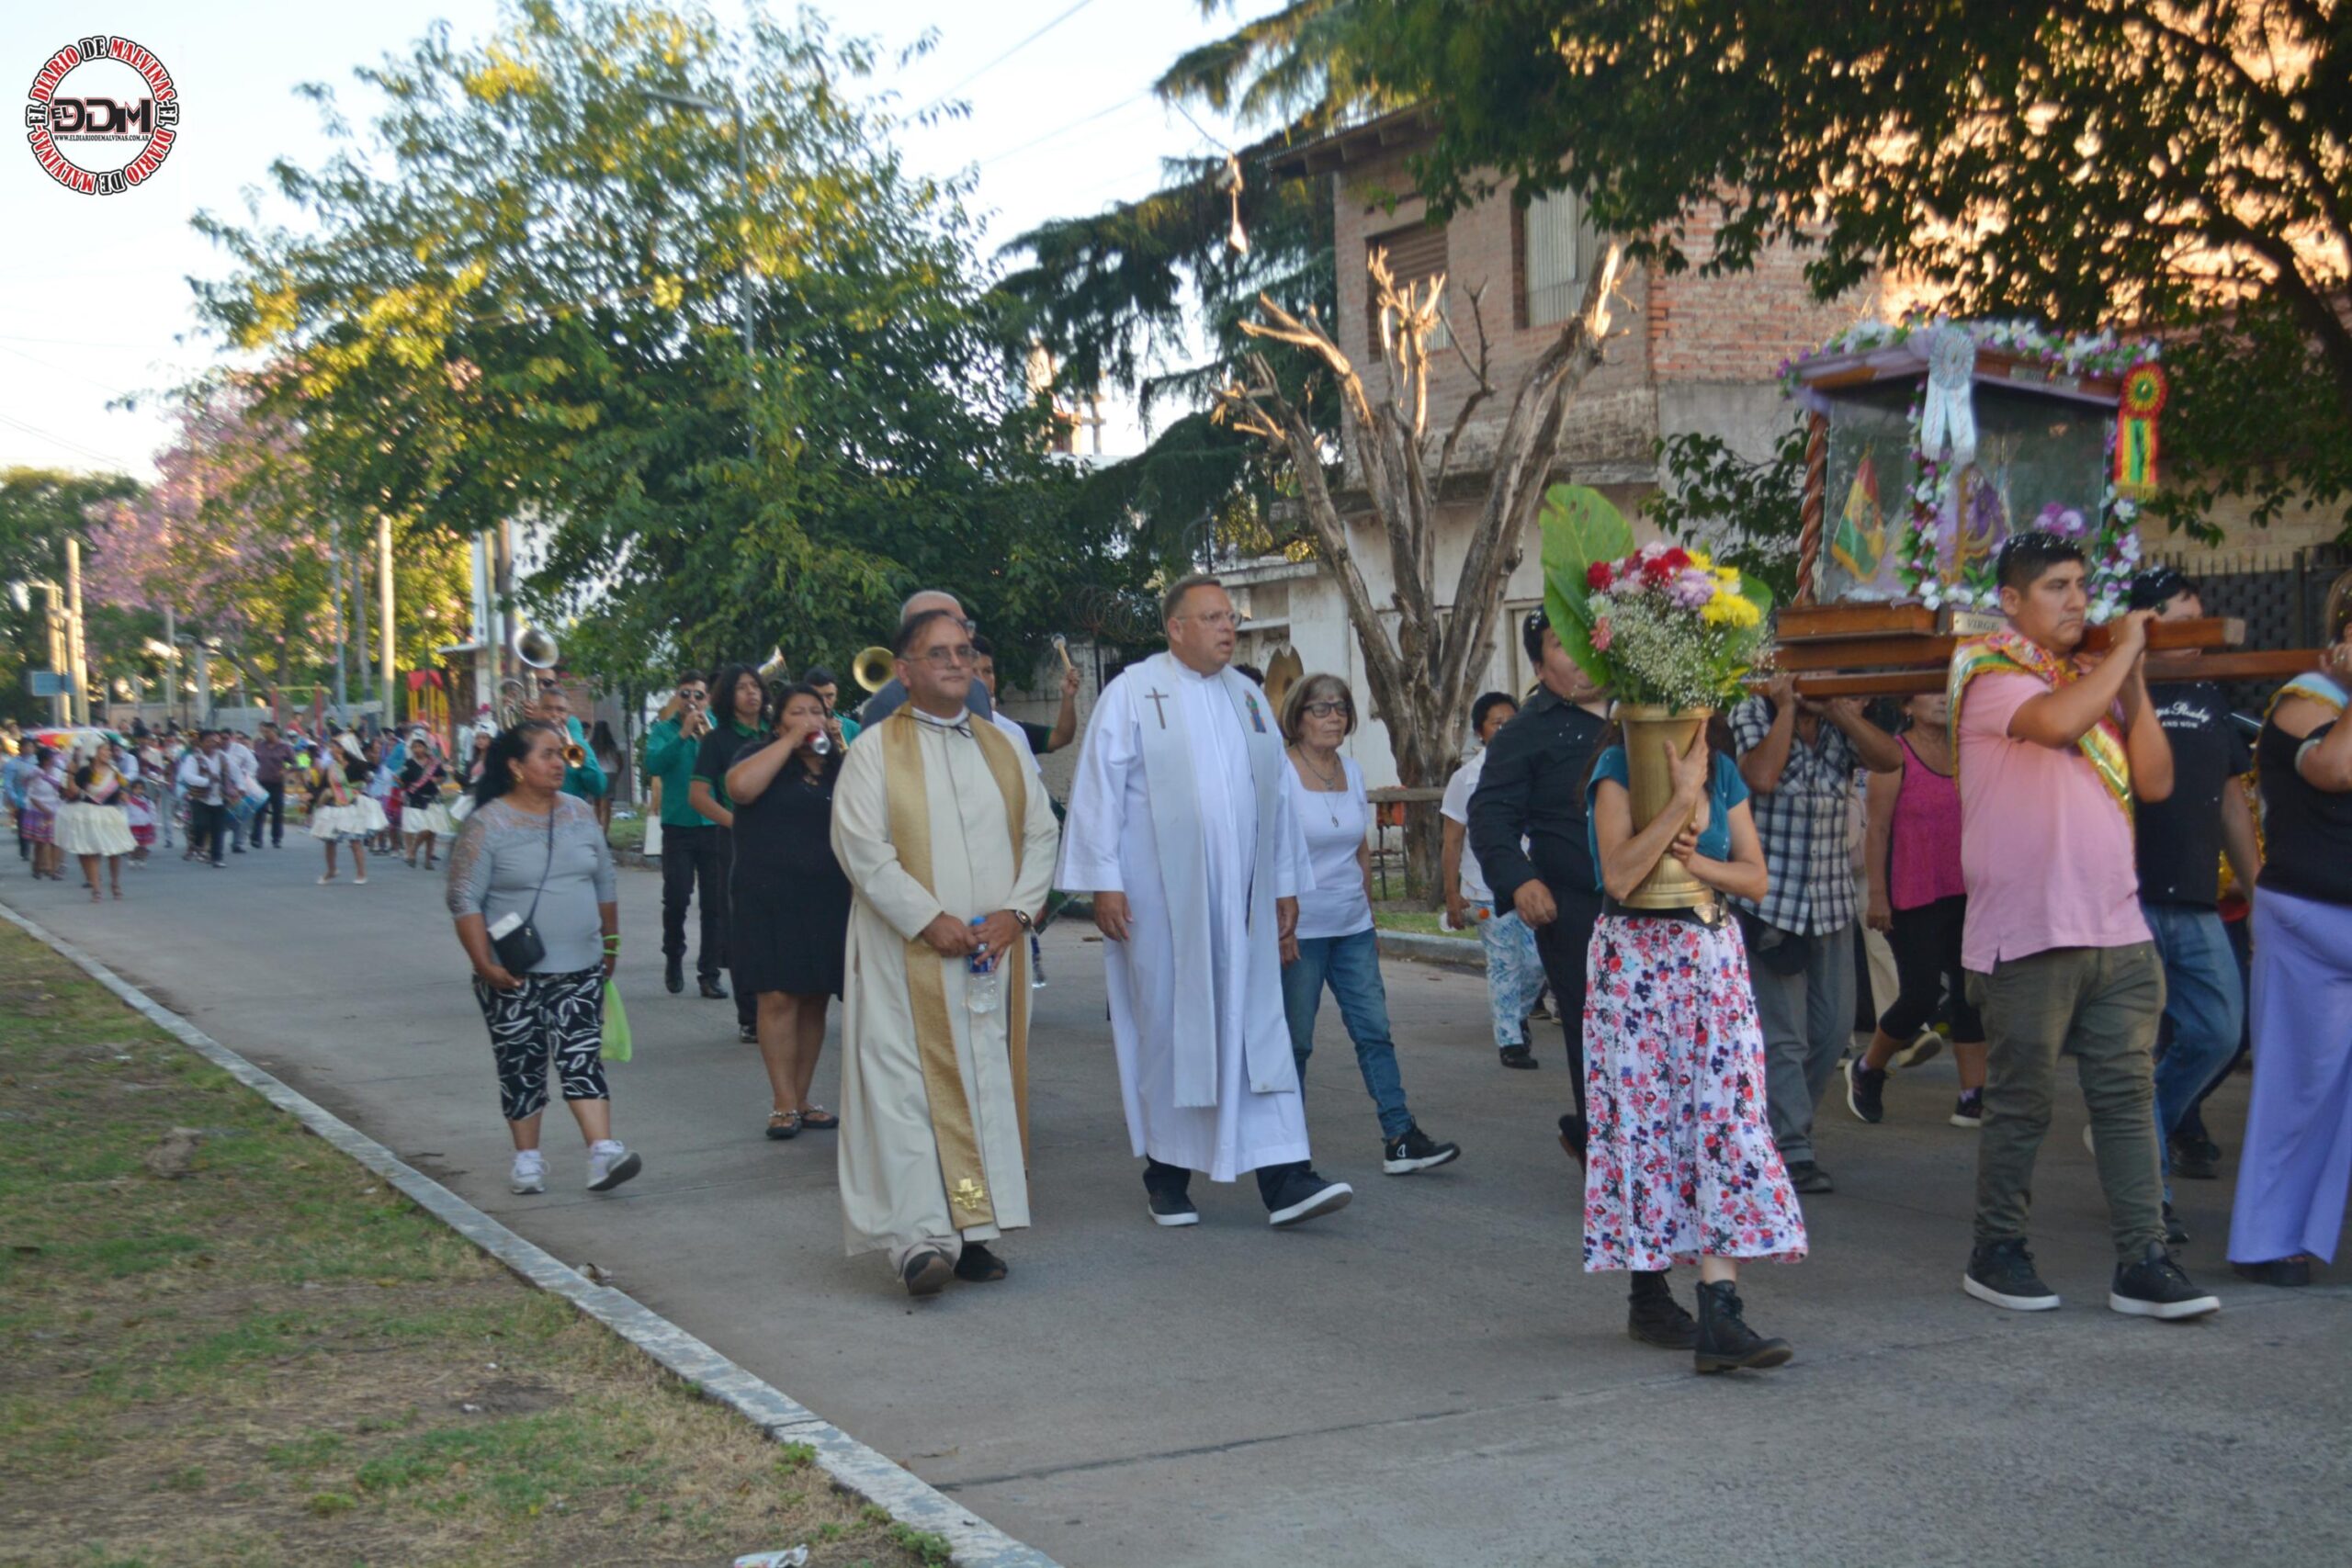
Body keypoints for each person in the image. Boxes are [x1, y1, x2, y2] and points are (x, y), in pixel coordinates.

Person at [1949, 530, 2216, 1319]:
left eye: (2081, 585)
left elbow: (2155, 780)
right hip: (2028, 928)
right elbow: (2059, 724)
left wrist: (2131, 676)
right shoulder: (1989, 671)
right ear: (2011, 600)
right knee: (2022, 1101)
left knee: (2127, 1097)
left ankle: (2143, 1258)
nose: (2076, 601)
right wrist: (2122, 652)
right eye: (2056, 587)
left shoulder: (2090, 678)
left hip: (2117, 925)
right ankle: (1997, 1250)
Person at [1059, 574, 1352, 1230]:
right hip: (1162, 906)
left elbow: (1276, 798)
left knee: (1257, 1030)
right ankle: (1167, 1176)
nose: (1228, 628)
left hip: (1243, 907)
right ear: (1176, 628)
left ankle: (1285, 1177)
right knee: (1173, 1031)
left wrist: (1283, 882)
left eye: (1230, 618)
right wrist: (1104, 880)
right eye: (1213, 617)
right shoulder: (1133, 693)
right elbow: (1099, 790)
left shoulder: (1247, 697)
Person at [830, 611, 1061, 1293]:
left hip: (990, 955)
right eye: (939, 653)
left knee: (985, 1088)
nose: (957, 662)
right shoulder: (875, 750)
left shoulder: (1002, 745)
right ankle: (918, 1240)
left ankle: (975, 1229)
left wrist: (1017, 914)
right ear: (904, 672)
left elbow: (1042, 833)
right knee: (906, 1093)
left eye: (963, 651)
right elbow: (860, 848)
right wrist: (927, 918)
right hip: (904, 957)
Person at [1586, 717, 1802, 1369]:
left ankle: (1720, 1312)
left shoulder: (1725, 772)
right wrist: (1680, 800)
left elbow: (1755, 877)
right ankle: (1648, 1294)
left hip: (1712, 956)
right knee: (1646, 1127)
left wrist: (1696, 861)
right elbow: (1619, 876)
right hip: (1637, 961)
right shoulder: (1616, 769)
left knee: (1727, 1122)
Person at [2121, 568, 2261, 1246]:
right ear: (2146, 626)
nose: (2201, 637)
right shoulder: (2118, 688)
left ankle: (2138, 1124)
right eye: (2185, 623)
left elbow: (2232, 800)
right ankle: (2153, 1195)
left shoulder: (2209, 691)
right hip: (2129, 900)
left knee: (2221, 1033)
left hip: (2199, 900)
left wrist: (2260, 894)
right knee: (2132, 1048)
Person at [446, 721, 639, 1197]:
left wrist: (610, 944)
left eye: (562, 754)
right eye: (547, 755)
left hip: (581, 966)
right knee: (521, 1062)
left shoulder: (579, 812)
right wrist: (483, 963)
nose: (559, 764)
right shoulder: (487, 823)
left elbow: (604, 881)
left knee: (581, 1057)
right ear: (516, 766)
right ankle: (527, 1160)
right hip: (513, 972)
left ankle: (602, 1153)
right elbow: (464, 897)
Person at [1279, 673, 1461, 1173]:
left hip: (1352, 926)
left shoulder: (1353, 772)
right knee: (1295, 1042)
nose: (1333, 716)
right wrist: (1279, 925)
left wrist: (1369, 915)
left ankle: (1400, 1137)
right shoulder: (1278, 772)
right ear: (1297, 717)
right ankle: (1285, 1152)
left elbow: (1359, 847)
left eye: (1340, 707)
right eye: (1320, 708)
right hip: (1301, 932)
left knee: (1374, 1031)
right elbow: (1268, 853)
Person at [1729, 671, 1903, 1194]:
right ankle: (1791, 1147)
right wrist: (1786, 709)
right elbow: (1760, 777)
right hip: (1770, 904)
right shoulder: (1753, 712)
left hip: (1829, 905)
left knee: (1832, 1032)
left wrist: (1839, 712)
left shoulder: (1836, 725)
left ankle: (1764, 1124)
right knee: (1785, 1036)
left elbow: (1889, 759)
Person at [2226, 574, 2352, 1287]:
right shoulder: (2308, 698)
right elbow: (2335, 768)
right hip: (2314, 918)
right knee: (2299, 1089)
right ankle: (2270, 1238)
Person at [1467, 611, 1614, 1151]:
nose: (1580, 652)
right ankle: (1605, 1154)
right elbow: (1490, 818)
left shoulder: (1648, 708)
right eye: (1561, 643)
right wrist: (1521, 881)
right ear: (1538, 664)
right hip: (1577, 911)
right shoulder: (1524, 733)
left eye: (1586, 636)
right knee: (1596, 1036)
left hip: (1660, 908)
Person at [1849, 689, 1989, 1127]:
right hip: (1912, 891)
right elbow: (1877, 830)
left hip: (1964, 889)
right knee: (1921, 995)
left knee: (1969, 994)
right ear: (1907, 706)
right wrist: (1877, 895)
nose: (1942, 699)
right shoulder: (1895, 756)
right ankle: (1868, 1069)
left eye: (1946, 690)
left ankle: (1972, 1095)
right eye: (1929, 693)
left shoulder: (1965, 752)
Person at [724, 684, 855, 1139]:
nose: (809, 718)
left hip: (827, 894)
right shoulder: (757, 754)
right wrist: (790, 742)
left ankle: (802, 1098)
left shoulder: (839, 764)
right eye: (797, 712)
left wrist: (837, 747)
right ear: (777, 723)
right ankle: (782, 1103)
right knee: (778, 995)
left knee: (815, 995)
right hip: (768, 895)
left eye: (816, 711)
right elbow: (740, 790)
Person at [1442, 691, 1548, 1068]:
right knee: (1504, 964)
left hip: (1531, 885)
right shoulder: (1465, 779)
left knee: (1537, 963)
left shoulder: (1534, 769)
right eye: (1496, 724)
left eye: (1511, 722)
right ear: (1480, 732)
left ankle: (1516, 1017)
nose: (1505, 730)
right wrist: (1452, 894)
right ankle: (1510, 1042)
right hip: (1484, 887)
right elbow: (1452, 841)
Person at [689, 663, 767, 1042]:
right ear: (727, 696)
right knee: (742, 927)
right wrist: (735, 823)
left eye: (756, 686)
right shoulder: (716, 741)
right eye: (742, 688)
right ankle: (750, 1015)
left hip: (781, 839)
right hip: (735, 844)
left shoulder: (776, 734)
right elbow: (698, 796)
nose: (751, 693)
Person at [642, 671, 720, 996]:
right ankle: (673, 956)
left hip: (713, 824)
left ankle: (709, 973)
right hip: (678, 825)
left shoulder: (717, 728)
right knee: (676, 897)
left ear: (708, 699)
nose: (691, 700)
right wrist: (683, 735)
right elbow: (653, 765)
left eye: (698, 695)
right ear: (677, 696)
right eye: (685, 693)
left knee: (715, 903)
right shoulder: (663, 730)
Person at [855, 589, 996, 728]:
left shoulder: (977, 690)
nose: (969, 635)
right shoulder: (886, 703)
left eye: (966, 625)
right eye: (956, 624)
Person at [970, 635, 1082, 757]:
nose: (981, 680)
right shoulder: (954, 736)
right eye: (973, 672)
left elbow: (1061, 737)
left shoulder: (1013, 733)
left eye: (987, 671)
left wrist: (1068, 697)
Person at [58, 742, 137, 900]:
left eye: (109, 750)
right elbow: (72, 792)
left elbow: (122, 789)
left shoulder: (114, 770)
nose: (109, 753)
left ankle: (115, 883)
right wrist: (70, 773)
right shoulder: (85, 771)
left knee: (114, 852)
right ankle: (96, 889)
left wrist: (124, 795)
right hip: (90, 815)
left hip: (110, 815)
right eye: (105, 750)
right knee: (93, 852)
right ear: (94, 752)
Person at [308, 733, 386, 886]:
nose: (331, 749)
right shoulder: (331, 768)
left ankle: (361, 873)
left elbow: (371, 771)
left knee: (355, 841)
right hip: (335, 806)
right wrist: (311, 796)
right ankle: (332, 870)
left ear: (343, 749)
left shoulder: (357, 765)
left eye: (334, 746)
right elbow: (322, 787)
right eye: (331, 746)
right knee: (330, 840)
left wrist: (375, 758)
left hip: (352, 806)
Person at [532, 689, 608, 805]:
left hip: (568, 812)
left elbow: (599, 788)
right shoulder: (526, 739)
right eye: (547, 708)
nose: (554, 714)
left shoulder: (578, 744)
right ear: (537, 711)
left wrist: (575, 754)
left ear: (568, 715)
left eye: (561, 710)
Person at [400, 738, 458, 869]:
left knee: (432, 831)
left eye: (419, 746)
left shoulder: (434, 763)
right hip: (416, 799)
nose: (417, 749)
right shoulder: (409, 763)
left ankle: (426, 859)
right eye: (414, 747)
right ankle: (413, 851)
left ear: (425, 748)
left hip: (432, 798)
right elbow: (403, 780)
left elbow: (443, 776)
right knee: (425, 829)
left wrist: (437, 780)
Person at [176, 731, 230, 868]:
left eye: (214, 741)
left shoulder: (222, 757)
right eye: (208, 741)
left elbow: (234, 771)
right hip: (200, 798)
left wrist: (239, 786)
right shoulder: (193, 758)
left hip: (219, 798)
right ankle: (197, 846)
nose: (212, 744)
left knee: (218, 829)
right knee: (200, 825)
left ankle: (217, 858)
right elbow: (188, 776)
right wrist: (207, 781)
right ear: (200, 743)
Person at [252, 722, 297, 847]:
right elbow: (254, 760)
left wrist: (285, 771)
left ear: (275, 732)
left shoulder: (285, 747)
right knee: (259, 810)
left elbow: (294, 763)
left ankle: (276, 838)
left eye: (268, 732)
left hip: (277, 783)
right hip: (262, 782)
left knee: (277, 811)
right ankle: (256, 838)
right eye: (264, 732)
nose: (265, 734)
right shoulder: (260, 746)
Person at [221, 728, 259, 852]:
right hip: (222, 787)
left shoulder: (241, 749)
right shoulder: (216, 751)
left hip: (240, 786)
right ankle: (216, 842)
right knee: (221, 815)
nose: (223, 741)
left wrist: (245, 776)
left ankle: (238, 843)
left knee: (241, 815)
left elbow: (253, 764)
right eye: (221, 738)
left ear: (231, 738)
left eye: (226, 738)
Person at [803, 667, 862, 744]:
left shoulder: (853, 728)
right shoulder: (795, 729)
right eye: (817, 697)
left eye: (829, 696)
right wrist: (822, 732)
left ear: (836, 694)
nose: (824, 703)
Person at [590, 719, 624, 831]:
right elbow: (620, 763)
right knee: (606, 807)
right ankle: (604, 833)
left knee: (596, 805)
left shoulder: (591, 746)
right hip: (610, 774)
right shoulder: (613, 745)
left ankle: (597, 832)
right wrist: (616, 775)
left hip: (596, 775)